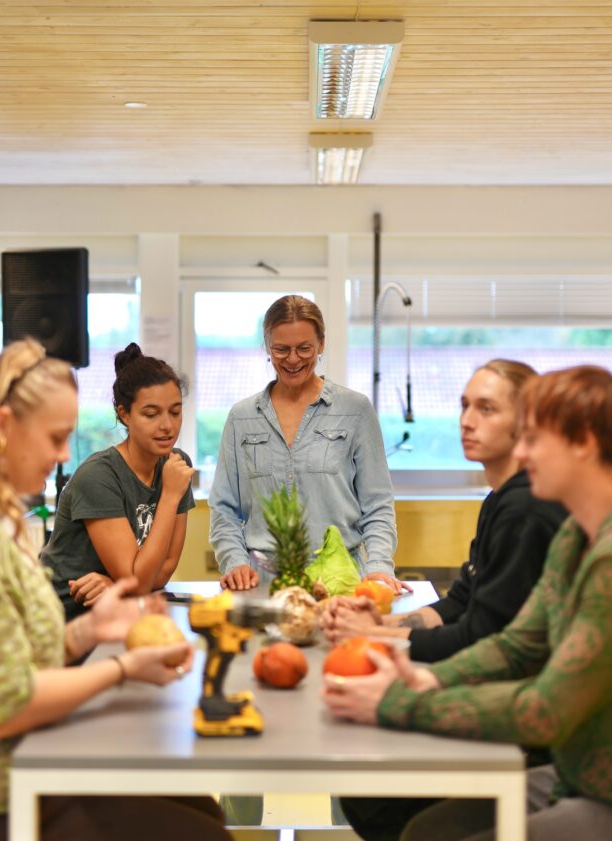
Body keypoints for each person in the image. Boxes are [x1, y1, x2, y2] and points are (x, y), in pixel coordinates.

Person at [322, 365, 612, 841]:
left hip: (598, 791)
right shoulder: (571, 542)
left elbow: (545, 709)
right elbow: (512, 645)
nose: (520, 452)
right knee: (426, 831)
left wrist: (401, 703)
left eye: (534, 440)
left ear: (582, 442)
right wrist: (427, 675)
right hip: (571, 772)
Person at [0, 339, 232, 841]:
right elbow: (7, 709)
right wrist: (121, 668)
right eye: (55, 437)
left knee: (201, 807)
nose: (63, 455)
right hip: (3, 794)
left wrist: (91, 627)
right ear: (3, 426)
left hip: (40, 755)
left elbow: (14, 657)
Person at [322, 359, 567, 663]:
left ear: (526, 421)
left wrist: (372, 635)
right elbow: (461, 602)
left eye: (486, 409)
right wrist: (377, 623)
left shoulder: (525, 509)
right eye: (465, 406)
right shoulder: (498, 499)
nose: (466, 420)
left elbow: (479, 637)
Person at [209, 294, 400, 593]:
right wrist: (234, 562)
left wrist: (378, 567)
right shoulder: (242, 418)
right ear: (267, 347)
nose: (294, 359)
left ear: (321, 344)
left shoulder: (355, 410)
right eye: (281, 349)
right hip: (263, 582)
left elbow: (377, 506)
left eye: (304, 348)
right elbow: (223, 508)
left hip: (340, 579)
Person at [42, 342, 195, 620]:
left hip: (117, 609)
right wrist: (170, 496)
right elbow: (138, 581)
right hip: (62, 618)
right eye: (151, 414)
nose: (167, 426)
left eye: (175, 411)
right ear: (124, 414)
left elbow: (163, 570)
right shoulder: (98, 476)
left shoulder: (177, 465)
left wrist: (121, 586)